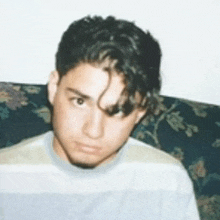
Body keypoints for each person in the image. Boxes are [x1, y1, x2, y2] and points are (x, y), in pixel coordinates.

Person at [0, 15, 200, 219]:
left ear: (141, 111)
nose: (93, 131)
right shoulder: (4, 175)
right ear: (54, 87)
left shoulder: (167, 181)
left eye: (117, 111)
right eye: (79, 101)